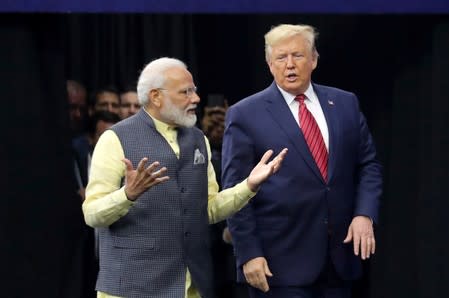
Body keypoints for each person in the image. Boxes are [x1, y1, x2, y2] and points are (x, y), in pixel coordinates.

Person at [82, 57, 288, 298]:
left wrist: (248, 186)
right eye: (186, 92)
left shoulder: (199, 139)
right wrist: (127, 195)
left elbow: (208, 210)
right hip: (131, 287)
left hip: (190, 286)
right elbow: (92, 213)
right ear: (156, 96)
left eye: (195, 91)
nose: (196, 99)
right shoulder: (114, 139)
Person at [221, 24, 382, 298]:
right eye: (281, 58)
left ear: (314, 59)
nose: (290, 65)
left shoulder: (345, 103)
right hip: (278, 263)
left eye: (297, 55)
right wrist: (248, 253)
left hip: (340, 258)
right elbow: (235, 189)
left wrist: (364, 213)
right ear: (270, 64)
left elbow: (368, 164)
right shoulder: (245, 114)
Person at [201, 103, 249, 298]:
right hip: (205, 252)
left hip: (238, 254)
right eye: (211, 114)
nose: (217, 120)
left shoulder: (243, 145)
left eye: (222, 115)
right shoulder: (193, 145)